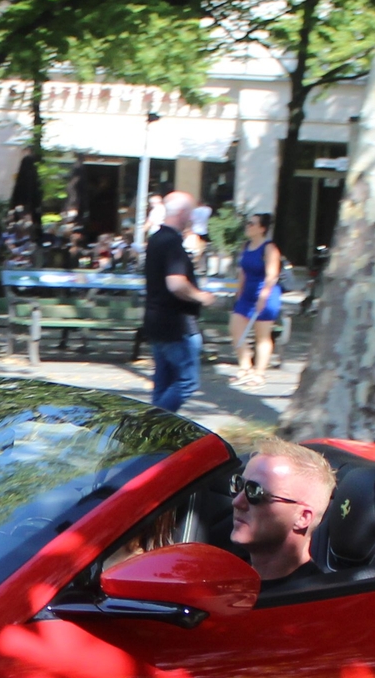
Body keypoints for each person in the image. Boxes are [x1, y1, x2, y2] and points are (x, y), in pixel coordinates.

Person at [141, 191, 214, 413]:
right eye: (191, 212)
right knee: (186, 382)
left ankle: (156, 434)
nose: (192, 218)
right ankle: (152, 426)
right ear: (182, 213)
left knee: (163, 382)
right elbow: (176, 283)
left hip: (156, 320)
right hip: (177, 324)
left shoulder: (156, 238)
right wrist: (202, 296)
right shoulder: (172, 243)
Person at [227, 440, 334, 590]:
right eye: (238, 484)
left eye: (255, 492)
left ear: (302, 517)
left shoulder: (310, 601)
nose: (237, 502)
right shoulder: (227, 570)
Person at [228, 213, 285, 385]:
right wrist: (239, 292)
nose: (248, 226)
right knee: (235, 329)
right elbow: (243, 272)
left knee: (262, 336)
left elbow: (272, 275)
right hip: (247, 296)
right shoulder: (246, 246)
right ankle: (245, 367)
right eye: (247, 223)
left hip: (265, 295)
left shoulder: (269, 248)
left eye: (252, 224)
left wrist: (264, 296)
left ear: (262, 228)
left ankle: (259, 373)